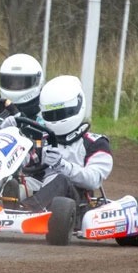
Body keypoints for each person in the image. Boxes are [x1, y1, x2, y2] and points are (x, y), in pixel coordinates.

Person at [18, 75, 113, 213]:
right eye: (52, 114)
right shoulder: (42, 139)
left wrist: (62, 165)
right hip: (41, 190)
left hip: (74, 204)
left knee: (60, 179)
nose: (56, 119)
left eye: (61, 113)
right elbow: (26, 160)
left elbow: (93, 180)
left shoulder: (96, 143)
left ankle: (27, 210)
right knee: (15, 181)